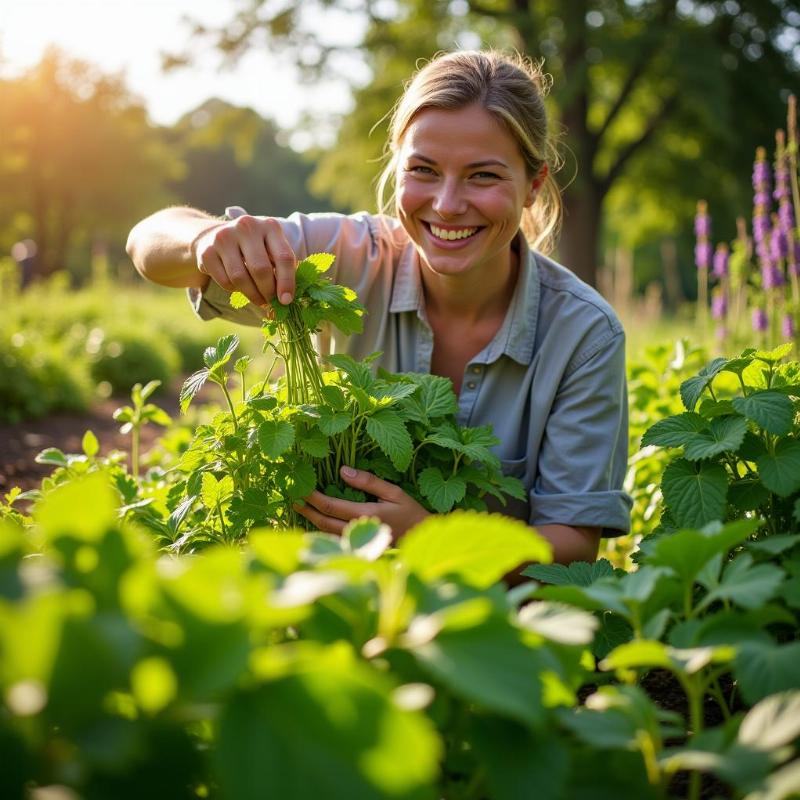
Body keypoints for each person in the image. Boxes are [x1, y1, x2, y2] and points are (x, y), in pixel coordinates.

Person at [127, 49, 632, 567]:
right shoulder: (346, 257)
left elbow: (572, 548)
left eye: (483, 176)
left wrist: (434, 543)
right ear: (396, 167)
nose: (448, 203)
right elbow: (147, 243)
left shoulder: (582, 334)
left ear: (534, 186)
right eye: (424, 170)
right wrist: (207, 240)